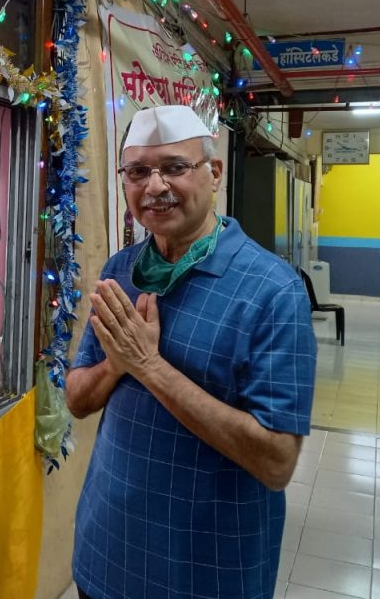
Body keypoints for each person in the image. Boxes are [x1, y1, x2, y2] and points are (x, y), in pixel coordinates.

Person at [67, 105, 317, 599]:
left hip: (207, 571)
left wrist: (147, 366)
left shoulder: (272, 291)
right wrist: (117, 364)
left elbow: (276, 462)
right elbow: (76, 399)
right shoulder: (121, 269)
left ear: (215, 173)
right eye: (138, 171)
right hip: (105, 553)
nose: (154, 186)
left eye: (175, 167)